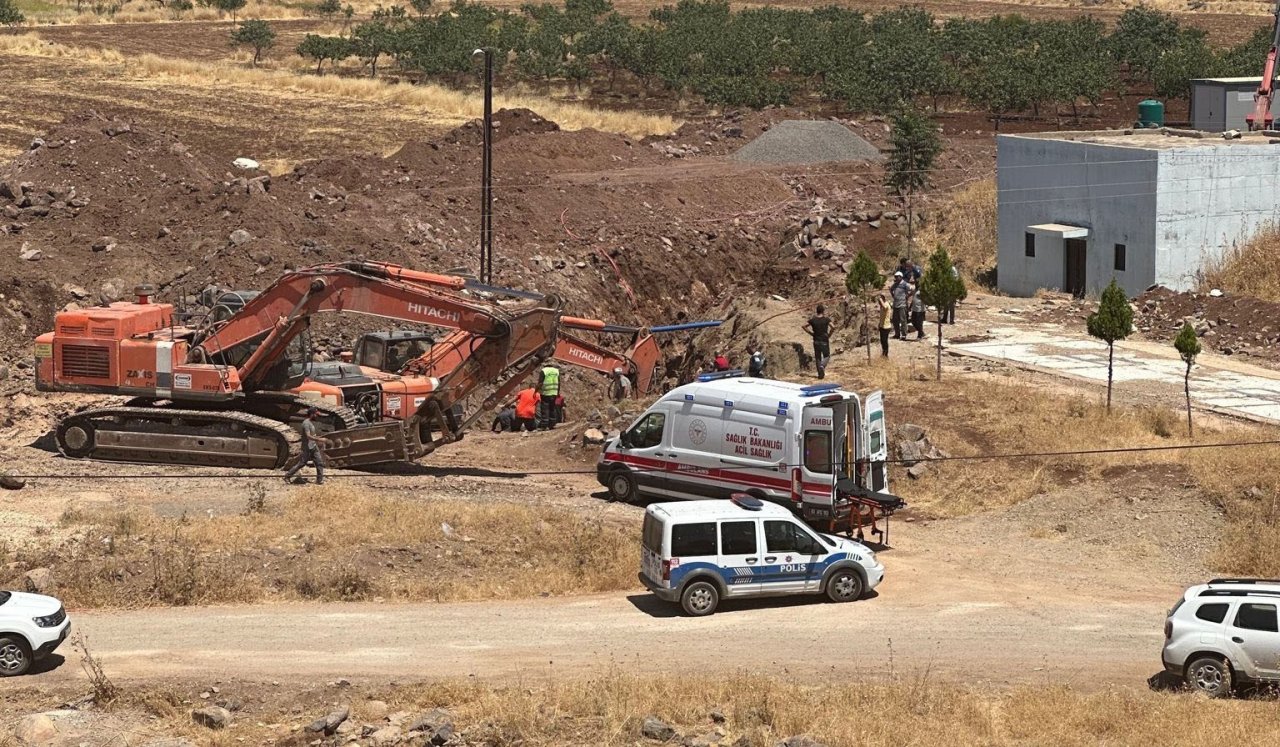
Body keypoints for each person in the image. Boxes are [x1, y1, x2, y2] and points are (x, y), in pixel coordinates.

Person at [284, 407, 329, 485]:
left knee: (319, 463)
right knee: (302, 463)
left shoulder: (310, 423)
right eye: (315, 414)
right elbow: (308, 436)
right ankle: (287, 476)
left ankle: (319, 480)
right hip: (307, 448)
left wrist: (318, 439)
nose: (316, 416)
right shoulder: (306, 423)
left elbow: (312, 435)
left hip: (313, 446)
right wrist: (320, 440)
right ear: (312, 414)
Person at [802, 304, 833, 379]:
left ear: (817, 311)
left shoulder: (813, 320)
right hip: (824, 340)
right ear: (823, 311)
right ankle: (822, 365)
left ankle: (820, 375)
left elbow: (804, 326)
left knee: (818, 357)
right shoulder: (826, 319)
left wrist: (811, 333)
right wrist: (829, 334)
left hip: (816, 340)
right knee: (827, 356)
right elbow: (833, 327)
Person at [537, 364, 561, 430]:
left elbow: (540, 383)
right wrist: (558, 392)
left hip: (546, 393)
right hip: (554, 393)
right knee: (552, 408)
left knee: (545, 409)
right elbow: (559, 383)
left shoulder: (544, 371)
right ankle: (552, 424)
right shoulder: (556, 371)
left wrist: (536, 391)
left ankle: (544, 425)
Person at [890, 272, 910, 340]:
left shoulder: (905, 284)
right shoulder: (895, 284)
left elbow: (910, 290)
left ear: (901, 277)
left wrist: (906, 297)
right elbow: (891, 289)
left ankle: (904, 334)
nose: (896, 278)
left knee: (903, 320)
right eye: (895, 276)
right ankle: (897, 334)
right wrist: (893, 296)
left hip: (902, 305)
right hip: (895, 305)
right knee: (895, 320)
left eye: (897, 276)